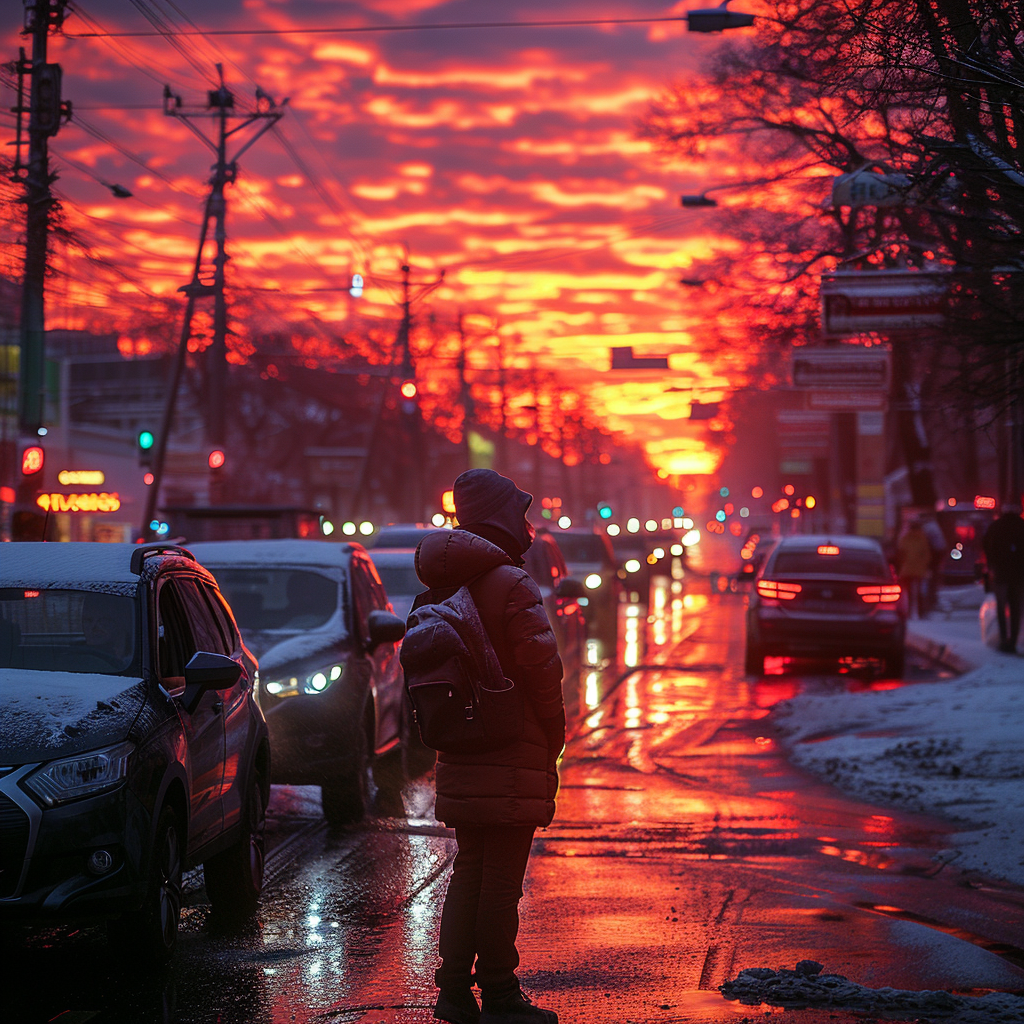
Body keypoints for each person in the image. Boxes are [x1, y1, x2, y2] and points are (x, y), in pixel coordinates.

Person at [413, 468, 564, 1024]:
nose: (528, 526)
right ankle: (500, 994)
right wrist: (554, 730)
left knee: (471, 870)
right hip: (512, 747)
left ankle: (453, 992)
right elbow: (541, 668)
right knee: (501, 882)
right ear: (502, 517)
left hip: (461, 745)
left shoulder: (439, 585)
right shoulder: (511, 583)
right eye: (520, 513)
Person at [982, 503, 1024, 653]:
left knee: (1001, 607)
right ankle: (1013, 641)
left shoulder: (996, 526)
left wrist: (991, 564)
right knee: (1016, 608)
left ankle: (1003, 639)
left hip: (1001, 573)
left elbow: (986, 545)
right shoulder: (1021, 525)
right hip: (1019, 574)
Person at [896, 519, 931, 619]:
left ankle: (909, 613)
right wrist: (924, 565)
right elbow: (927, 555)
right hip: (920, 570)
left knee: (908, 593)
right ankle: (921, 613)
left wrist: (901, 566)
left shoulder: (905, 538)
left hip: (906, 569)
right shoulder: (923, 538)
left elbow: (901, 553)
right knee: (920, 592)